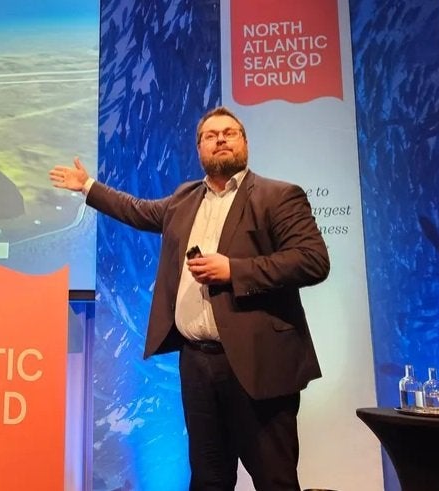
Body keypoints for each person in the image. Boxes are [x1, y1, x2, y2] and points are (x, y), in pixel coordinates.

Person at [49, 106, 330, 490]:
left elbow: (312, 261)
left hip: (259, 362)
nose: (221, 139)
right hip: (197, 363)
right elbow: (137, 211)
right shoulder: (185, 198)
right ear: (199, 149)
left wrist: (234, 270)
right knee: (209, 478)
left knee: (273, 478)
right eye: (211, 135)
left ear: (244, 142)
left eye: (229, 133)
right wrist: (88, 186)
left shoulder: (278, 196)